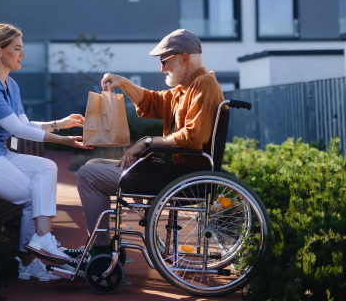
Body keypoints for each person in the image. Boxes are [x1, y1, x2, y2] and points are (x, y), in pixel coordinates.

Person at [63, 29, 225, 267]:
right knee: (92, 165)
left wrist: (147, 142)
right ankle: (101, 246)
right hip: (174, 173)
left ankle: (100, 253)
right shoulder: (187, 87)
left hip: (180, 177)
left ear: (184, 58)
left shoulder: (203, 85)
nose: (162, 69)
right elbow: (152, 101)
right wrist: (124, 83)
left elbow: (193, 137)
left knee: (88, 176)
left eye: (164, 62)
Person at [0, 23, 93, 283]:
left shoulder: (10, 84)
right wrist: (64, 141)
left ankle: (37, 248)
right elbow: (15, 129)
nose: (22, 54)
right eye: (17, 49)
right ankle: (35, 253)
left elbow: (24, 124)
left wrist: (60, 124)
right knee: (30, 192)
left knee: (46, 168)